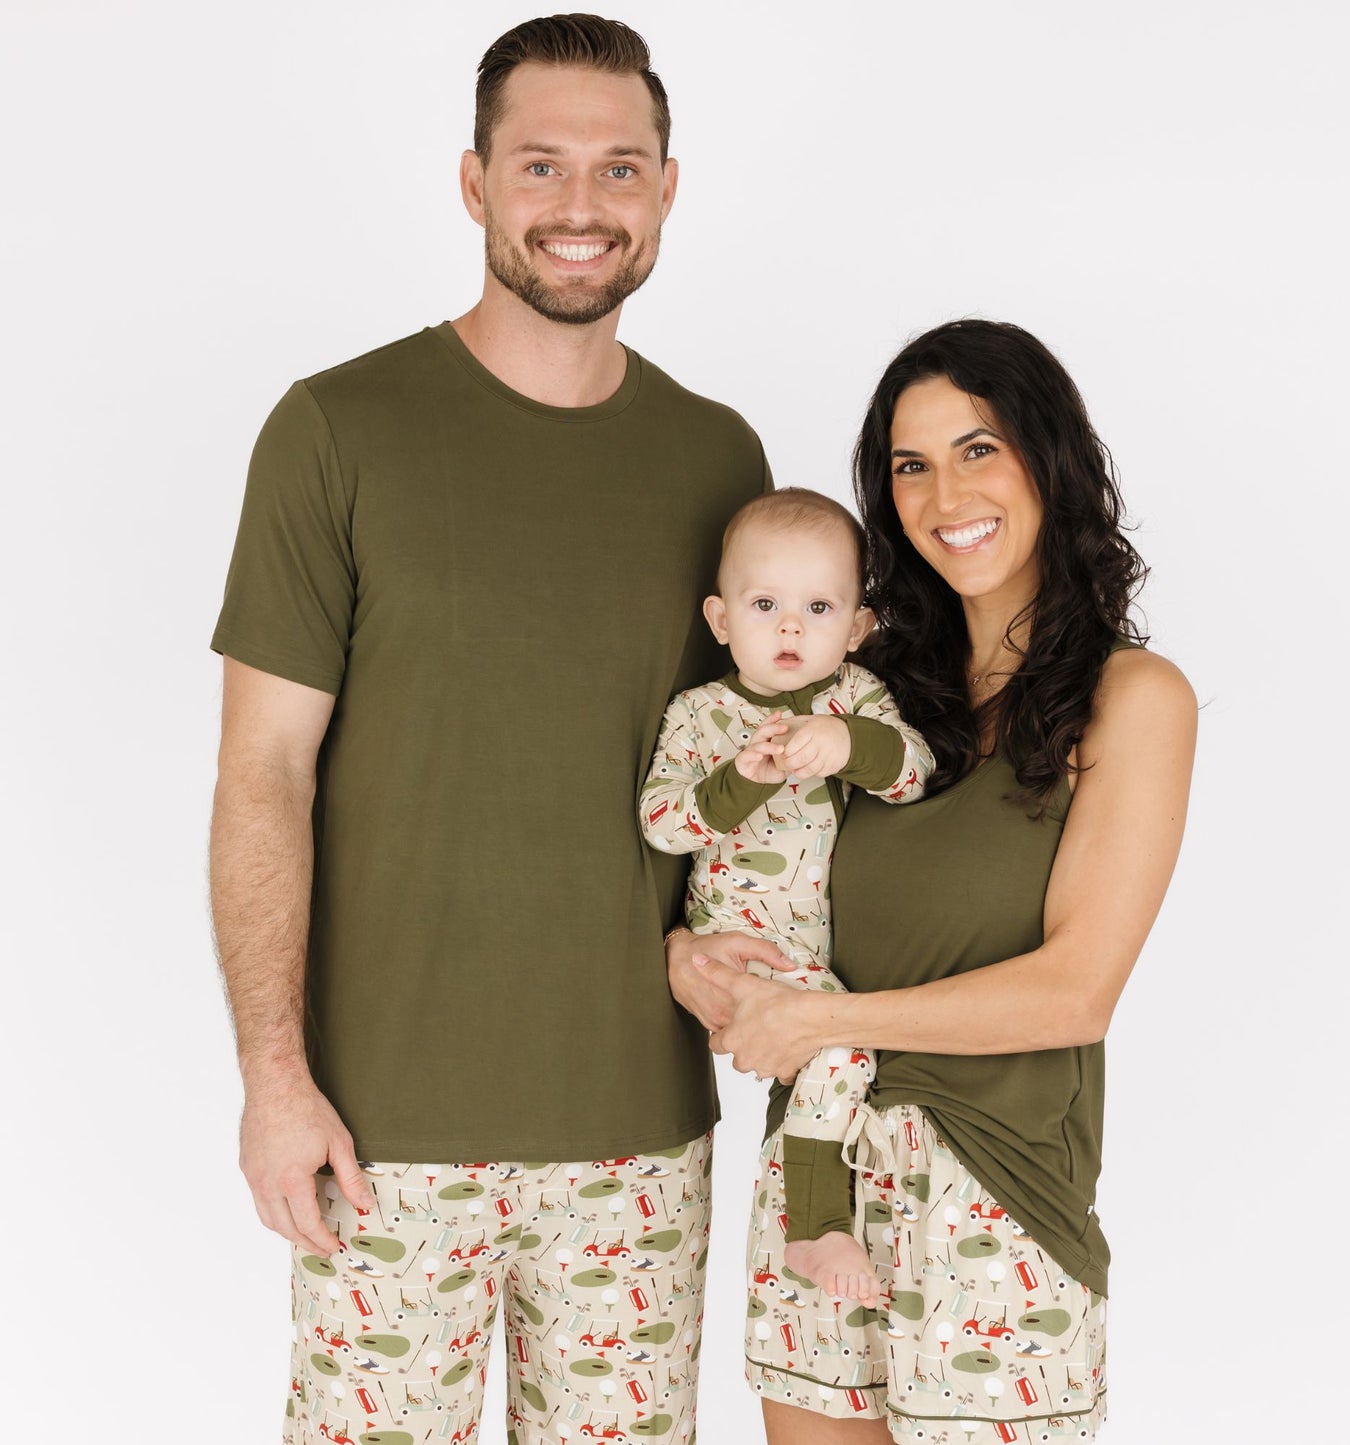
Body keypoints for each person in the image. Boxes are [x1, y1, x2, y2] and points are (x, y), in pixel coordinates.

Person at [207, 15, 784, 1443]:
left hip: (638, 1132)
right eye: (540, 165)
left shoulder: (719, 460)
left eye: (618, 167)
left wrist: (728, 952)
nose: (581, 204)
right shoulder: (335, 430)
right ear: (474, 183)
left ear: (666, 189)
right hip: (379, 1135)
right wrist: (273, 1077)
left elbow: (742, 772)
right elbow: (265, 771)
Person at [668, 319, 1197, 1442]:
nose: (943, 493)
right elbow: (741, 860)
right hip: (817, 1182)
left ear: (1048, 457)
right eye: (909, 464)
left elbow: (1073, 992)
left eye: (978, 448)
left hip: (992, 1199)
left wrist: (823, 1019)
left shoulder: (1132, 698)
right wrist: (683, 952)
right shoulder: (855, 689)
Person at [639, 488, 935, 1309]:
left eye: (819, 608)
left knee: (841, 1059)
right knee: (841, 1053)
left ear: (857, 627)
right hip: (735, 945)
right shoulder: (701, 713)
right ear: (720, 618)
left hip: (815, 956)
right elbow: (661, 823)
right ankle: (812, 1225)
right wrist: (739, 780)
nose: (791, 629)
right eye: (765, 605)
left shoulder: (857, 698)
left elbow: (913, 773)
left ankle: (818, 1224)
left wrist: (847, 743)